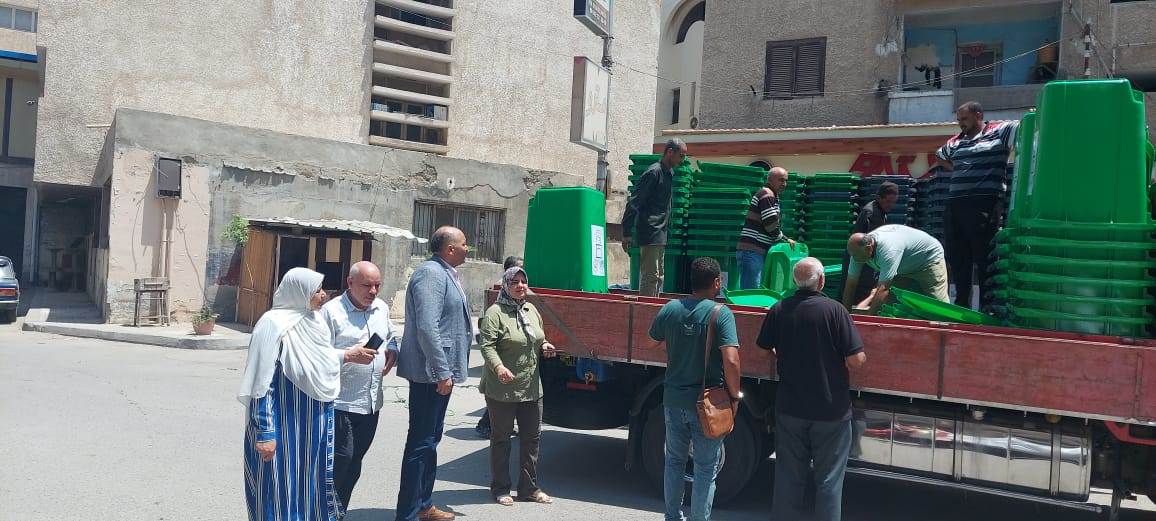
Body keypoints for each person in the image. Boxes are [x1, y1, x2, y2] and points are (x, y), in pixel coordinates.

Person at [239, 267, 375, 521]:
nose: (323, 295)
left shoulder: (314, 321)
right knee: (277, 489)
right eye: (317, 290)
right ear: (298, 292)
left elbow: (319, 359)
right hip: (282, 426)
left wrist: (347, 355)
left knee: (309, 489)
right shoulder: (272, 325)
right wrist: (265, 432)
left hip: (312, 428)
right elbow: (261, 383)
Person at [757, 257, 866, 521]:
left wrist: (780, 355)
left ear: (795, 281)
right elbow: (855, 360)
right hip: (831, 411)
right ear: (822, 280)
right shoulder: (836, 311)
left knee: (788, 478)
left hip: (790, 408)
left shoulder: (779, 309)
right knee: (828, 481)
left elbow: (763, 349)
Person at [645, 257, 741, 521]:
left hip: (673, 399)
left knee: (674, 462)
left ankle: (672, 516)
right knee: (705, 468)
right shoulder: (721, 314)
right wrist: (735, 397)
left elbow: (650, 342)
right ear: (717, 282)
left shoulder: (670, 309)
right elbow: (732, 360)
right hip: (707, 404)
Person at [395, 226, 474, 521]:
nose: (468, 248)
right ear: (449, 249)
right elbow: (427, 328)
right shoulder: (431, 274)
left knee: (430, 440)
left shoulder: (446, 273)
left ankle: (424, 505)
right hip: (430, 373)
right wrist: (442, 371)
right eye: (464, 244)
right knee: (421, 442)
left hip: (439, 372)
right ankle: (407, 513)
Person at [319, 261, 400, 515]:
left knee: (354, 463)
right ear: (350, 282)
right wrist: (348, 355)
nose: (373, 291)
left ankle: (338, 512)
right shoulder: (331, 312)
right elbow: (316, 354)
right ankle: (322, 512)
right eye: (367, 285)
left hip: (371, 403)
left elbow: (391, 334)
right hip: (341, 403)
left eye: (377, 285)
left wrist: (393, 349)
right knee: (340, 461)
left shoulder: (381, 308)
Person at [478, 266, 559, 506]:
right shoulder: (495, 313)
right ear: (505, 285)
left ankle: (528, 489)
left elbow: (537, 336)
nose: (520, 286)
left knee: (531, 439)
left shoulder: (530, 309)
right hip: (502, 389)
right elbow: (487, 345)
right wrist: (499, 367)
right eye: (514, 282)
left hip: (530, 387)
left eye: (523, 281)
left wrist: (544, 346)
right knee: (501, 439)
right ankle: (500, 488)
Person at [936, 101, 1018, 309]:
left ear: (979, 115)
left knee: (985, 256)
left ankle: (987, 307)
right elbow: (940, 156)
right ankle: (962, 305)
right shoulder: (956, 141)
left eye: (965, 119)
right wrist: (961, 169)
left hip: (984, 203)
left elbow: (1027, 128)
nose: (961, 123)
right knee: (958, 257)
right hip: (955, 204)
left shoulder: (1000, 130)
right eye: (958, 120)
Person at [622, 138, 688, 296]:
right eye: (681, 156)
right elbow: (634, 201)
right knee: (650, 276)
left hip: (660, 233)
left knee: (658, 277)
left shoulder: (668, 173)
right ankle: (646, 309)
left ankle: (654, 307)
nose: (682, 160)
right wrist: (626, 232)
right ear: (670, 152)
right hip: (650, 231)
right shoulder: (654, 172)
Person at [842, 224, 949, 314]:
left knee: (939, 308)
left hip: (928, 260)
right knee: (890, 306)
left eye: (855, 256)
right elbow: (850, 284)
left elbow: (883, 289)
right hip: (903, 266)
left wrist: (868, 321)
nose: (853, 259)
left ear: (868, 248)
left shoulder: (888, 251)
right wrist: (845, 316)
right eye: (852, 255)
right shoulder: (857, 251)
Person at [476, 255, 525, 439]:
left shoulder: (519, 296)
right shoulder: (500, 294)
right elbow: (488, 341)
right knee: (499, 392)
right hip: (502, 352)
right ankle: (486, 425)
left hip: (512, 351)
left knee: (507, 393)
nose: (520, 284)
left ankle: (502, 425)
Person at [736, 166, 796, 289]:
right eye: (781, 180)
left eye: (786, 180)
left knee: (753, 292)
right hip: (752, 251)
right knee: (751, 294)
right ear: (770, 180)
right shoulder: (767, 194)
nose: (784, 184)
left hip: (754, 252)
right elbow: (770, 224)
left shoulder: (771, 195)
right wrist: (785, 239)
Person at [843, 181, 900, 302]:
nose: (891, 205)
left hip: (863, 255)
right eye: (888, 201)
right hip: (862, 256)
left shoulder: (879, 210)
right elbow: (871, 246)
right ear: (878, 198)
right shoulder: (873, 214)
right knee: (861, 292)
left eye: (893, 202)